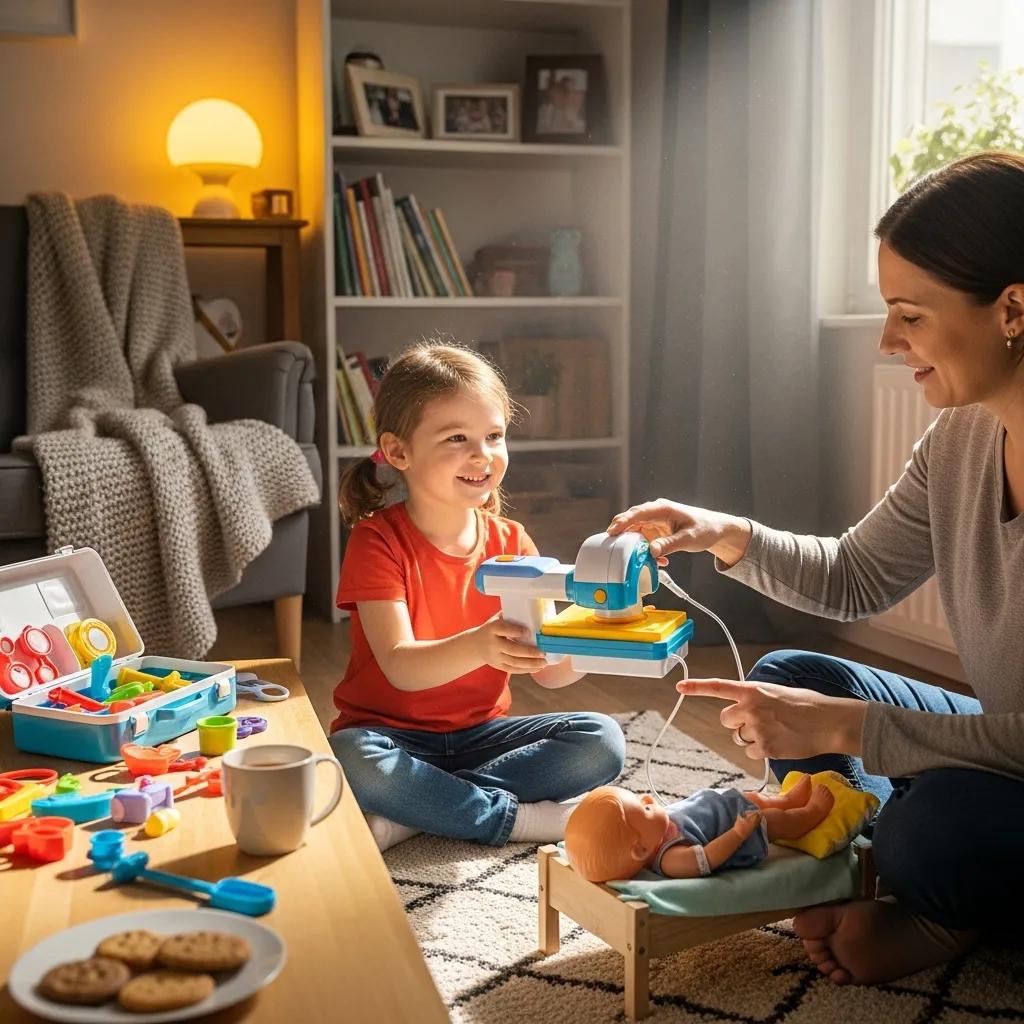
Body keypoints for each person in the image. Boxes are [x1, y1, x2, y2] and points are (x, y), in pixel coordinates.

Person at [607, 151, 1024, 985]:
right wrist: (721, 532)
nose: (886, 340)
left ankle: (940, 909)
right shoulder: (962, 438)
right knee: (790, 673)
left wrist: (846, 730)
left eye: (909, 313)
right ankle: (880, 855)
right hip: (1004, 738)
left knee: (928, 833)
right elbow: (854, 577)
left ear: (1013, 309)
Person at [330, 343, 625, 852]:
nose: (482, 455)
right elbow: (401, 667)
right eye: (457, 438)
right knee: (351, 757)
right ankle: (514, 820)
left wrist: (604, 626)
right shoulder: (376, 541)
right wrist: (480, 646)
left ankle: (420, 813)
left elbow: (551, 672)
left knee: (601, 740)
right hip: (387, 737)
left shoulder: (513, 542)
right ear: (399, 452)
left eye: (494, 436)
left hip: (482, 738)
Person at [564, 775, 834, 883]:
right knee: (774, 821)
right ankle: (809, 815)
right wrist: (739, 833)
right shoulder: (670, 859)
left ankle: (787, 800)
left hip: (725, 804)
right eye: (644, 809)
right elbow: (709, 858)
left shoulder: (654, 833)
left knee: (759, 798)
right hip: (737, 826)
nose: (647, 799)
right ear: (640, 849)